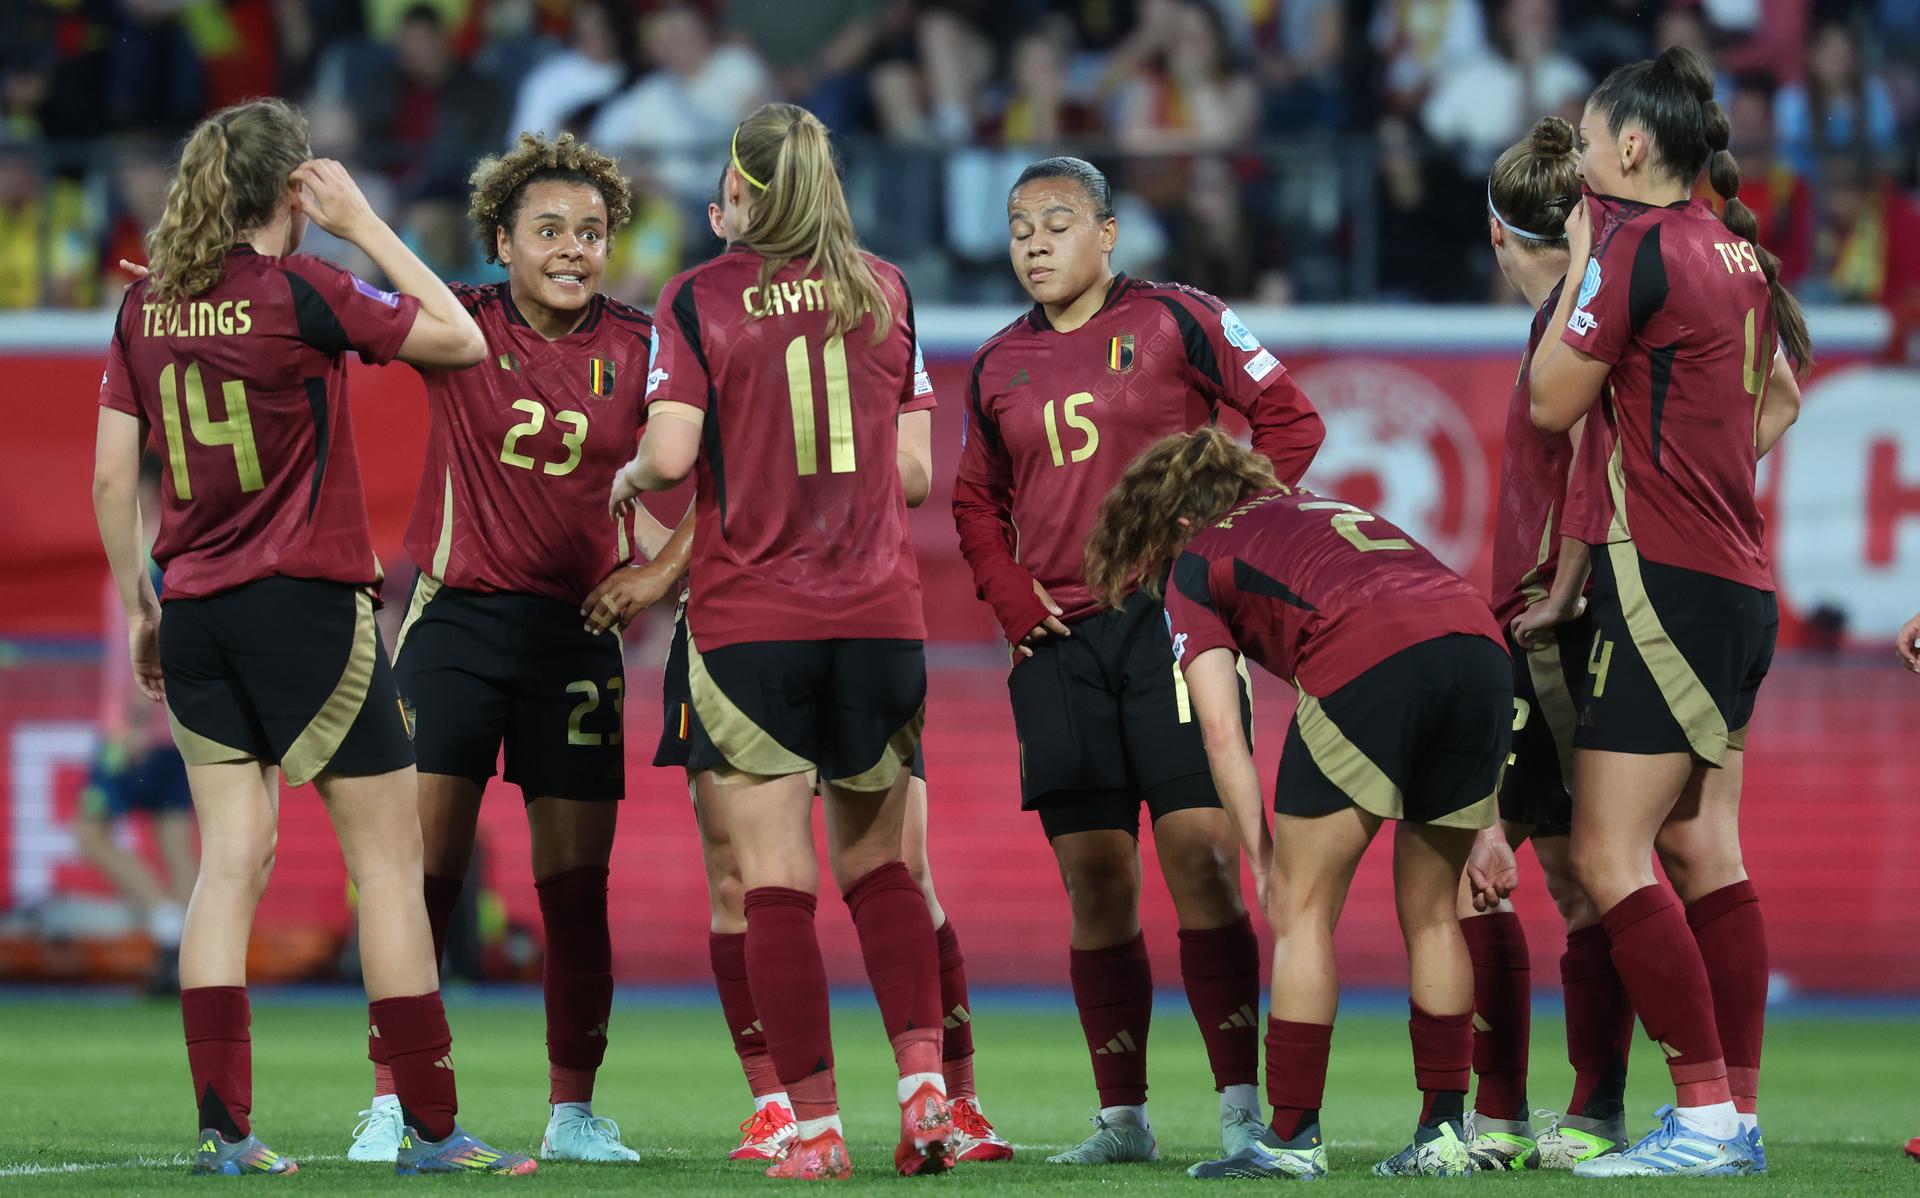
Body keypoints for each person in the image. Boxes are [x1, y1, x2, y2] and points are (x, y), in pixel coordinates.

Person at [91, 98, 532, 1175]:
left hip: (194, 611)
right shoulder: (302, 288)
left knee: (228, 864)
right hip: (305, 605)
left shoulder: (145, 305)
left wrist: (143, 607)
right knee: (388, 864)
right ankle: (434, 1129)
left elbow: (109, 481)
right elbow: (462, 338)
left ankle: (224, 1131)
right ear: (296, 188)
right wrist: (365, 224)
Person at [588, 176, 1012, 1167]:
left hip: (746, 623)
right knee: (887, 869)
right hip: (874, 616)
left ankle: (809, 1122)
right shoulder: (883, 287)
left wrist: (646, 494)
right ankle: (926, 1094)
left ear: (741, 208)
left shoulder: (698, 298)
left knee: (761, 879)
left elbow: (674, 459)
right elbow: (914, 472)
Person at [952, 155, 1324, 1168]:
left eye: (1057, 223)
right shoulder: (996, 362)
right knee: (1095, 881)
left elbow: (1292, 419)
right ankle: (1122, 1117)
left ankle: (1240, 1109)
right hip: (1058, 642)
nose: (1035, 244)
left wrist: (1218, 543)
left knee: (1203, 858)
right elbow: (974, 500)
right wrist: (1009, 594)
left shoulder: (1176, 317)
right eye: (1020, 228)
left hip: (1171, 627)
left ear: (1108, 234)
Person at [1082, 428, 1512, 1180]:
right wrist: (1487, 825)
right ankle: (1444, 1135)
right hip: (1481, 649)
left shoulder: (1197, 558)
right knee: (1435, 914)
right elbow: (1434, 624)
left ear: (1176, 519)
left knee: (1303, 910)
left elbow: (1221, 730)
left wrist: (1260, 860)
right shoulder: (1320, 508)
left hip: (1369, 658)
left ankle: (1291, 1140)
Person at [1526, 45, 1808, 1178]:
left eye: (1591, 139)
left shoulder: (1635, 245)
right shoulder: (1735, 248)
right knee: (1700, 845)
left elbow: (1551, 402)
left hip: (1664, 585)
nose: (1583, 159)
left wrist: (1581, 259)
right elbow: (1781, 397)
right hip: (1737, 580)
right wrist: (1702, 475)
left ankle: (1702, 1120)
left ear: (1633, 145)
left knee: (1608, 852)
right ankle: (1736, 1112)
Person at [344, 132, 653, 1166]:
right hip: (456, 627)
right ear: (502, 242)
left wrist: (659, 571)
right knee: (420, 874)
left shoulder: (647, 346)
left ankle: (574, 1112)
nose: (574, 249)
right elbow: (319, 312)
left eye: (591, 232)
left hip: (577, 635)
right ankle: (396, 1100)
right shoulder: (458, 324)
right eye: (549, 230)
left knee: (575, 889)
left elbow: (729, 463)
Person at [1456, 113, 1622, 1172]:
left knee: (1502, 864)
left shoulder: (1575, 335)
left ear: (1496, 233)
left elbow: (1591, 474)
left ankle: (1538, 1116)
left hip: (1552, 624)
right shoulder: (1573, 320)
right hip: (1544, 619)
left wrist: (1557, 591)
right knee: (1548, 872)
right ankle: (1557, 1116)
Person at [76, 454, 195, 996]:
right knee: (175, 842)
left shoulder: (151, 555)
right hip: (173, 728)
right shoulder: (168, 552)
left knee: (90, 832)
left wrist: (133, 721)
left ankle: (169, 930)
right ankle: (193, 964)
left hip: (136, 728)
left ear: (143, 490)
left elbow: (158, 638)